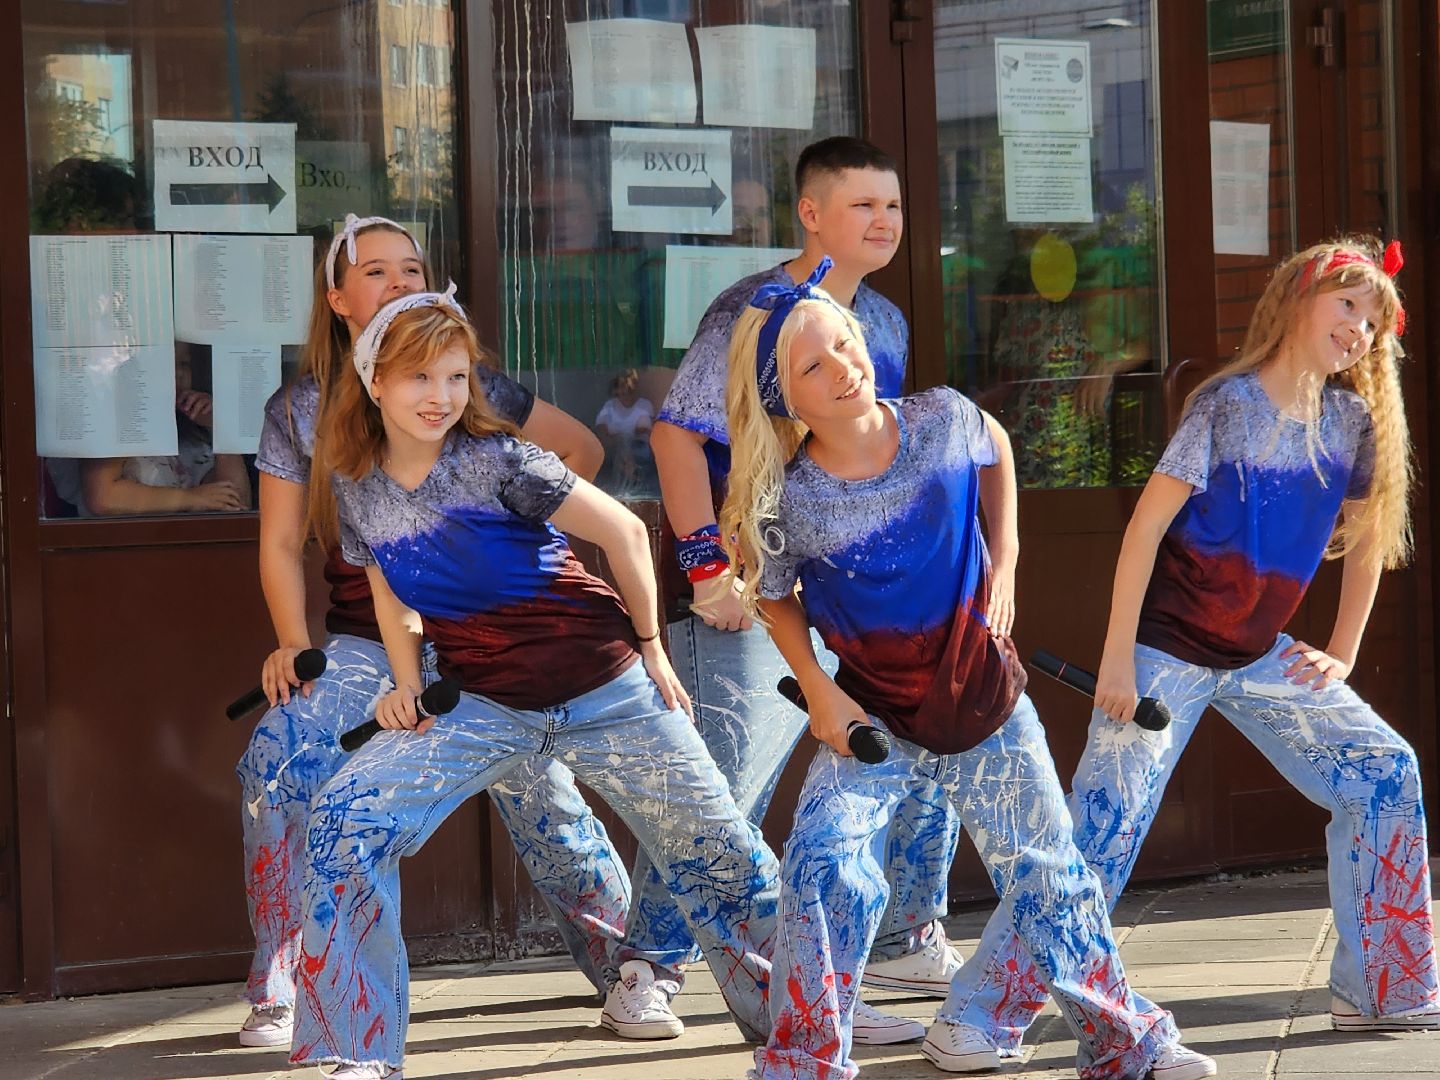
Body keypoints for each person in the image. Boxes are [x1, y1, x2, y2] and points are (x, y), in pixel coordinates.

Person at [933, 237, 1438, 1068]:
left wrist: (1342, 650)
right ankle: (977, 1015)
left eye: (1374, 318)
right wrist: (1121, 661)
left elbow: (1373, 534)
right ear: (1296, 301)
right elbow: (1144, 533)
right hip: (1166, 651)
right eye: (1347, 304)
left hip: (1258, 654)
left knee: (1384, 770)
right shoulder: (1225, 405)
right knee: (1101, 835)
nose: (1359, 327)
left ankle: (1384, 986)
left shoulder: (1351, 423)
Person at [719, 266, 1217, 1080]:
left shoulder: (943, 418)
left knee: (1050, 875)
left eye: (846, 344)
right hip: (874, 723)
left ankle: (1131, 1045)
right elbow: (775, 599)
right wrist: (819, 690)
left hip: (983, 701)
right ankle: (803, 1061)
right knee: (819, 864)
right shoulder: (786, 497)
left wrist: (1008, 559)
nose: (844, 366)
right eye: (815, 365)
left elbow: (998, 445)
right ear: (783, 396)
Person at [290, 291, 778, 1080]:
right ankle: (353, 1051)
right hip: (485, 702)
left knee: (719, 850)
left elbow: (622, 531)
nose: (441, 396)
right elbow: (387, 588)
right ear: (374, 380)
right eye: (419, 377)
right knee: (345, 820)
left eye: (455, 376)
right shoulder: (356, 484)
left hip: (604, 684)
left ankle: (803, 1029)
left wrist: (651, 649)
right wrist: (407, 685)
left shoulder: (498, 458)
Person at [235, 214, 630, 1050]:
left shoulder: (468, 380)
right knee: (279, 759)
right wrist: (291, 642)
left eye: (412, 269)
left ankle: (626, 968)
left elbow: (582, 454)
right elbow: (276, 542)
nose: (399, 284)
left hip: (492, 633)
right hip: (365, 636)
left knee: (544, 798)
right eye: (376, 272)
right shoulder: (300, 407)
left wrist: (507, 538)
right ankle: (282, 980)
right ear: (338, 297)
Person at [613, 135, 964, 1046]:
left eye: (892, 206)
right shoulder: (754, 310)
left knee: (892, 757)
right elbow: (676, 437)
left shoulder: (881, 323)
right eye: (862, 207)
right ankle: (646, 969)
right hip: (747, 583)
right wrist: (705, 569)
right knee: (721, 781)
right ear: (811, 214)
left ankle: (893, 941)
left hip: (850, 586)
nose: (883, 222)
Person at [81, 348, 251, 514]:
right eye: (165, 363)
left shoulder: (193, 434)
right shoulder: (119, 422)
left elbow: (236, 505)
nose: (178, 373)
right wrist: (190, 499)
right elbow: (102, 497)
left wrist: (219, 427)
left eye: (184, 364)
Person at [594, 367, 654, 494]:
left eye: (627, 389)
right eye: (619, 389)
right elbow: (601, 430)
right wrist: (616, 438)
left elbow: (642, 431)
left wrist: (622, 435)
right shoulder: (609, 406)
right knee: (622, 443)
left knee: (624, 442)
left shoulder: (644, 405)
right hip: (614, 448)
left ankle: (623, 484)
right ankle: (630, 480)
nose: (623, 393)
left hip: (639, 450)